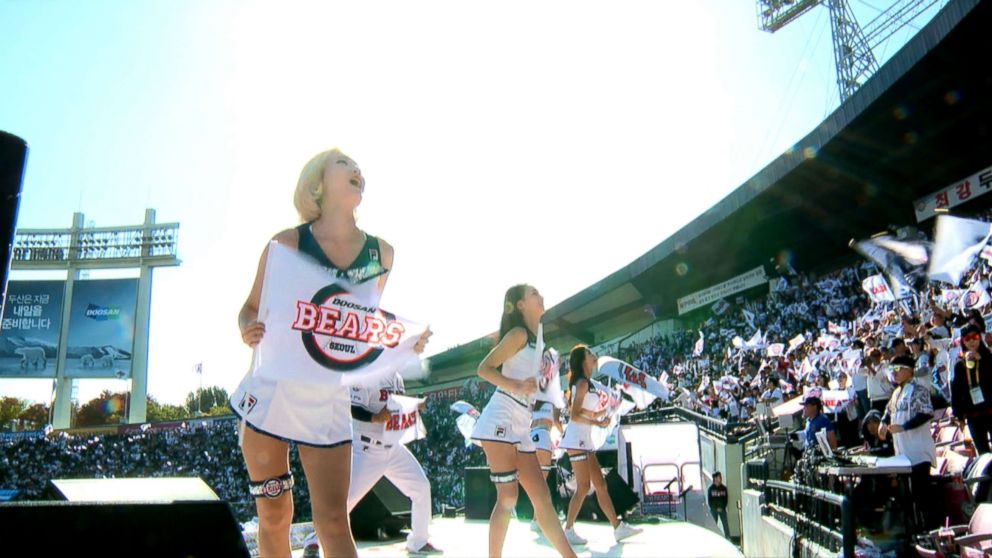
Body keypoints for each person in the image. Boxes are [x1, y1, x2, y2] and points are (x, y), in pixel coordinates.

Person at [230, 148, 427, 558]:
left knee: (334, 522)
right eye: (344, 163)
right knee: (274, 516)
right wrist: (247, 328)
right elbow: (249, 308)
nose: (357, 169)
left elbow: (359, 327)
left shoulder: (381, 255)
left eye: (357, 166)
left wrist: (400, 341)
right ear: (317, 184)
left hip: (327, 397)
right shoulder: (286, 244)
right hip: (271, 392)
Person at [470, 285, 576, 558]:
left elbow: (537, 388)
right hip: (500, 418)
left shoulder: (538, 340)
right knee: (508, 498)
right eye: (533, 293)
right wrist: (517, 385)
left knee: (542, 500)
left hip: (522, 423)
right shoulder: (518, 334)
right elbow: (484, 369)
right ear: (520, 305)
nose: (540, 295)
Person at [302, 371, 441, 557]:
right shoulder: (367, 372)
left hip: (393, 447)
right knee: (344, 502)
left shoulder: (397, 376)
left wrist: (415, 406)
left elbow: (395, 407)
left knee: (421, 487)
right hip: (367, 448)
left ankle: (419, 541)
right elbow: (350, 406)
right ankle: (312, 540)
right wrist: (373, 418)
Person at [559, 345, 642, 545]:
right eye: (588, 353)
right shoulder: (581, 383)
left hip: (583, 440)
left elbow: (584, 411)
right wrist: (597, 421)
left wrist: (601, 415)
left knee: (600, 484)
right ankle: (568, 529)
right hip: (576, 439)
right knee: (584, 486)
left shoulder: (587, 383)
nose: (592, 354)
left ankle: (617, 527)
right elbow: (574, 414)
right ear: (582, 360)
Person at [879, 354, 937, 528]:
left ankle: (929, 531)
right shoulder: (896, 392)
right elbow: (888, 410)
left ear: (909, 370)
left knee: (922, 497)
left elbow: (925, 413)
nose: (894, 374)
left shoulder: (919, 388)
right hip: (903, 453)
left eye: (898, 369)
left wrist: (904, 427)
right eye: (892, 370)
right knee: (907, 498)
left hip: (919, 452)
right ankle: (915, 533)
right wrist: (883, 422)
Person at [951, 324, 992, 455]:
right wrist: (959, 416)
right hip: (973, 415)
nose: (972, 341)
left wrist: (984, 361)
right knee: (983, 453)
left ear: (980, 338)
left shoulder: (989, 358)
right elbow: (956, 392)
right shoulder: (959, 366)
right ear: (963, 342)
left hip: (991, 410)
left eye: (974, 337)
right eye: (967, 339)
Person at [706, 472, 731, 539]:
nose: (720, 479)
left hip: (722, 509)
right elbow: (710, 501)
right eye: (718, 477)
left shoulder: (724, 488)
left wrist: (722, 507)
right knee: (713, 524)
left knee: (725, 524)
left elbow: (725, 499)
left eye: (720, 477)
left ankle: (728, 537)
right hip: (714, 509)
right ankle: (713, 537)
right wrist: (715, 508)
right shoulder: (710, 489)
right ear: (715, 478)